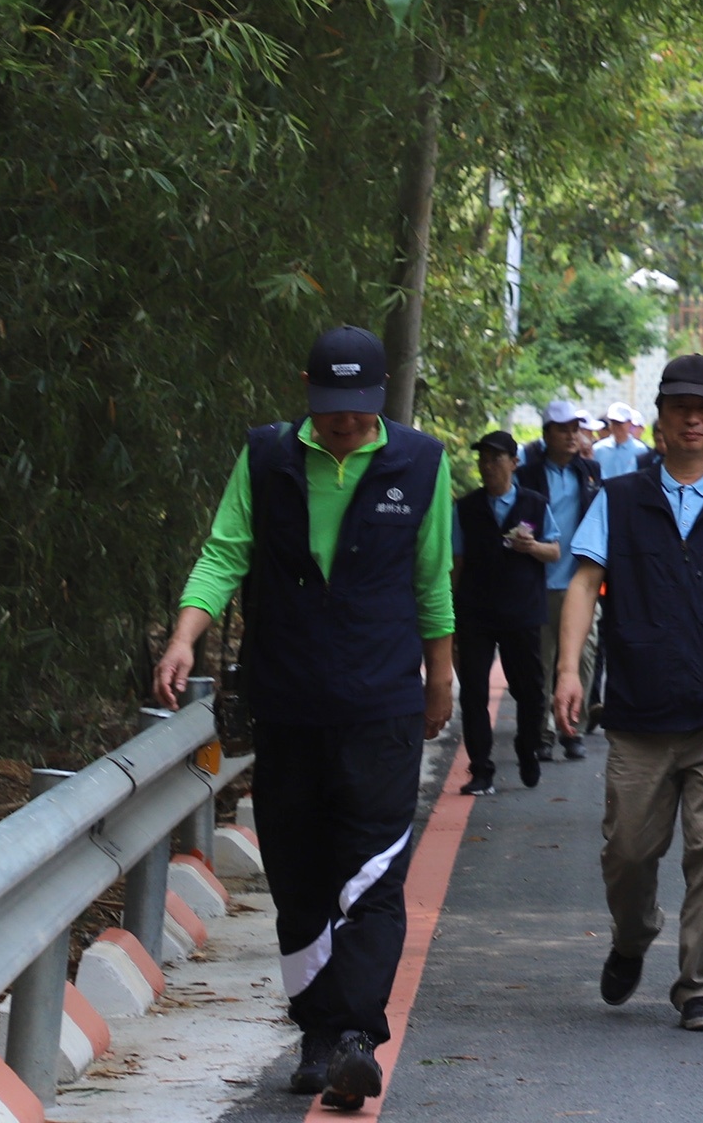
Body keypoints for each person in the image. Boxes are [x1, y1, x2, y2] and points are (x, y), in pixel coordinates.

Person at [152, 327, 452, 1111]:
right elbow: (224, 553)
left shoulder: (421, 464)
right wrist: (186, 635)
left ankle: (356, 1035)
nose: (342, 425)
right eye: (329, 411)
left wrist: (442, 675)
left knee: (374, 875)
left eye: (356, 411)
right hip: (287, 703)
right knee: (298, 877)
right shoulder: (267, 458)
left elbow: (432, 581)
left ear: (380, 398)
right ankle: (316, 1034)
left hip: (380, 705)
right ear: (306, 392)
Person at [556, 354, 703, 1033]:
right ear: (659, 418)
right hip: (639, 711)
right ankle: (633, 938)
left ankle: (699, 984)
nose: (693, 418)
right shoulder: (622, 499)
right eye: (679, 407)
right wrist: (569, 670)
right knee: (628, 853)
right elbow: (582, 582)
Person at [452, 429, 560, 796]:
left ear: (514, 464)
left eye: (496, 459)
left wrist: (532, 547)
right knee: (473, 693)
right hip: (476, 612)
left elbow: (555, 552)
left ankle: (527, 747)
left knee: (530, 690)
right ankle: (480, 768)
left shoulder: (534, 503)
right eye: (482, 459)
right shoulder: (465, 508)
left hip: (522, 610)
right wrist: (451, 614)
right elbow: (457, 563)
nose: (487, 466)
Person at [520, 401, 602, 761]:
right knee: (543, 660)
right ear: (546, 434)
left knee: (585, 656)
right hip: (539, 583)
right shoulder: (527, 475)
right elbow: (517, 521)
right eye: (563, 429)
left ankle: (574, 728)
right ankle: (544, 731)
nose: (572, 435)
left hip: (581, 583)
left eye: (576, 428)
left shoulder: (591, 472)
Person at [596, 402, 653, 477]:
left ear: (629, 423)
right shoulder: (598, 449)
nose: (616, 426)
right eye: (614, 422)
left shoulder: (640, 450)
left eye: (620, 423)